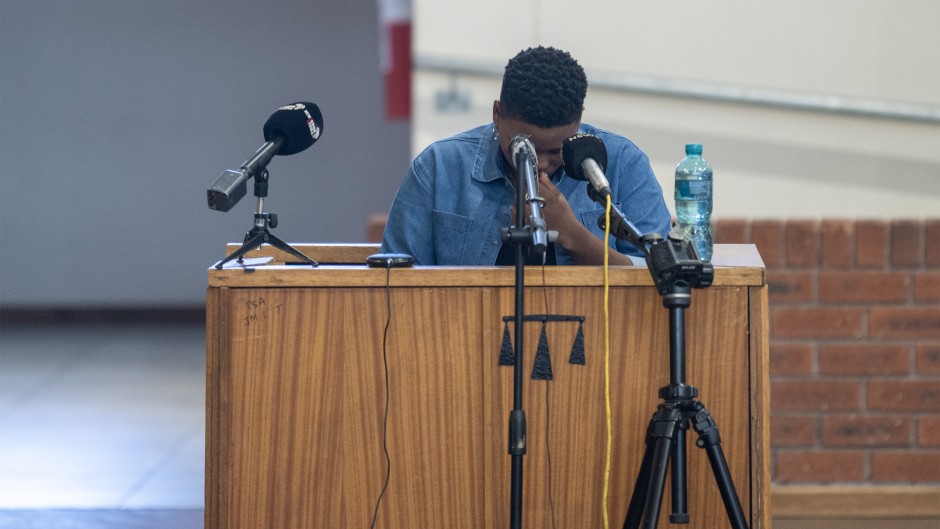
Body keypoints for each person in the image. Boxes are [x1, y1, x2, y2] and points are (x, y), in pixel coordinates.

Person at [381, 46, 672, 266]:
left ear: (578, 120)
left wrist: (572, 235)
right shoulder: (439, 167)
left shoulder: (623, 164)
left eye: (557, 150)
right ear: (497, 114)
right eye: (523, 146)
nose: (541, 163)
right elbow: (395, 277)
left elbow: (656, 276)